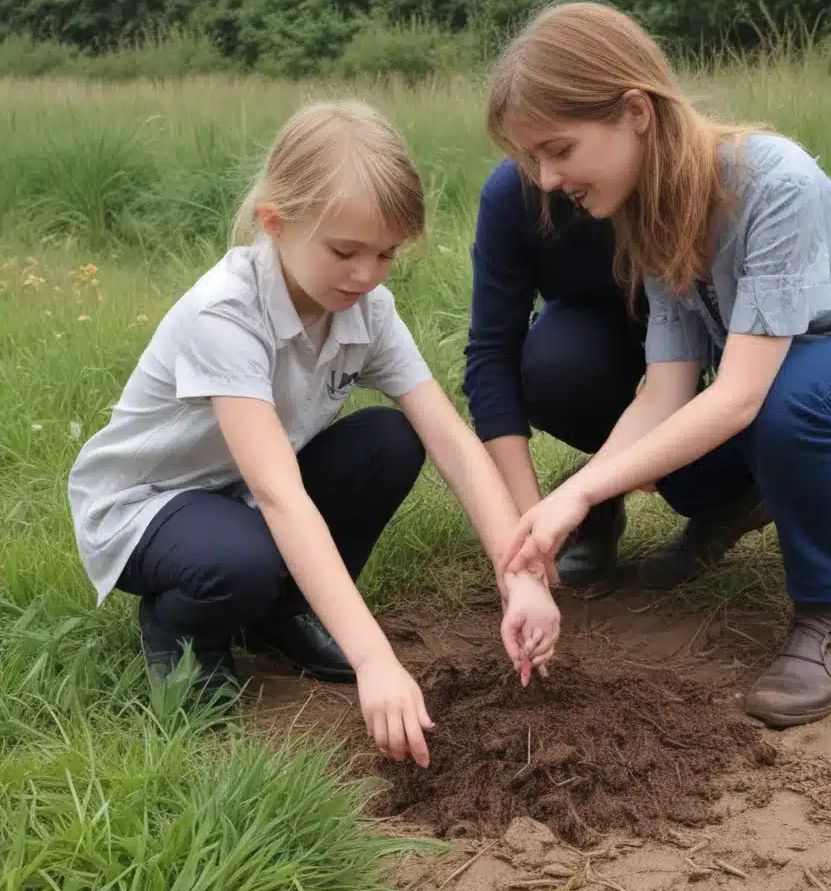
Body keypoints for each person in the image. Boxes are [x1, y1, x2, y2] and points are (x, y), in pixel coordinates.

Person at [489, 2, 831, 728]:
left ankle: (829, 613)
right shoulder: (650, 212)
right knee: (670, 452)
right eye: (535, 160)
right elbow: (665, 392)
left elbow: (741, 393)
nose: (548, 180)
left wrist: (579, 496)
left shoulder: (772, 180)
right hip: (792, 380)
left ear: (635, 110)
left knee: (786, 400)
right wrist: (579, 493)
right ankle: (754, 498)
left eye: (559, 149)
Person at [68, 99, 560, 768]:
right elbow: (281, 496)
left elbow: (452, 440)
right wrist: (374, 660)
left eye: (386, 253)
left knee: (390, 440)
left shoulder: (365, 309)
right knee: (242, 559)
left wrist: (519, 576)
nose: (366, 274)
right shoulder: (227, 314)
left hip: (243, 495)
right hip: (150, 505)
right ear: (276, 222)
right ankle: (180, 627)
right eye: (344, 251)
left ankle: (281, 617)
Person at [463, 155, 747, 587]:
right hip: (607, 344)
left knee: (703, 464)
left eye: (559, 148)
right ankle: (601, 496)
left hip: (721, 344)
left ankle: (733, 496)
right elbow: (491, 353)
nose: (545, 176)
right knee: (555, 368)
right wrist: (529, 528)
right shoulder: (513, 193)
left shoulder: (688, 175)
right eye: (529, 152)